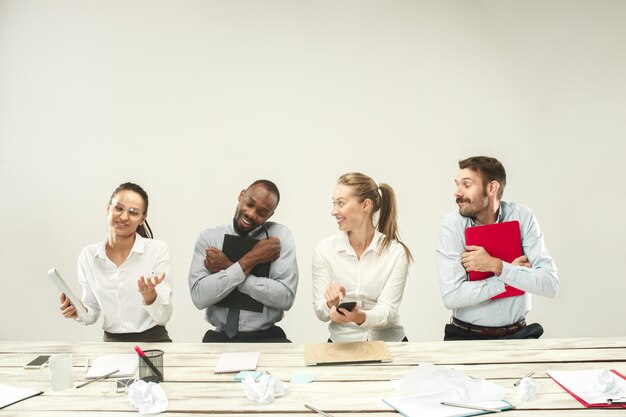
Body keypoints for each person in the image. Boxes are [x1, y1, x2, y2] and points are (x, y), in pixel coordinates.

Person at [437, 156, 559, 341]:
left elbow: (550, 284)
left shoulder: (523, 217)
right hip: (466, 337)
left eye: (467, 185)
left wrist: (497, 266)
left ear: (491, 188)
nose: (457, 192)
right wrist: (508, 279)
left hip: (519, 335)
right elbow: (452, 296)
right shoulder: (451, 225)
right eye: (457, 184)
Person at [59, 182, 173, 342]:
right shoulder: (88, 256)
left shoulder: (157, 250)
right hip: (112, 344)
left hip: (153, 342)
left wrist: (150, 296)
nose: (124, 217)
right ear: (108, 209)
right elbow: (91, 312)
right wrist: (78, 310)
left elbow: (164, 317)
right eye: (118, 208)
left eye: (133, 212)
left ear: (142, 219)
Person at [188, 179, 298, 343]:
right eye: (250, 203)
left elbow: (285, 298)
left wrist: (227, 266)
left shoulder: (279, 238)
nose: (252, 214)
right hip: (220, 337)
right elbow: (199, 297)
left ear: (270, 215)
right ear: (241, 196)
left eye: (262, 212)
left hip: (267, 337)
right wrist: (253, 258)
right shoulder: (209, 238)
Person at [312, 172, 413, 342]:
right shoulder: (324, 250)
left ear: (365, 205)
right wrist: (331, 303)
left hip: (389, 345)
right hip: (342, 345)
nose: (333, 211)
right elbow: (320, 310)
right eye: (334, 203)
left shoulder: (395, 252)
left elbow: (388, 311)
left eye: (341, 203)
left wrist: (359, 317)